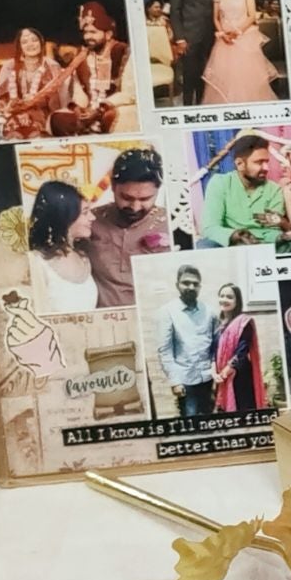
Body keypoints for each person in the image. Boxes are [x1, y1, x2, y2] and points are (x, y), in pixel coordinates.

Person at [86, 146, 169, 307]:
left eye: (145, 199)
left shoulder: (171, 225)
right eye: (126, 197)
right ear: (113, 186)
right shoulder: (90, 222)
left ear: (158, 191)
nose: (135, 207)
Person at [50, 2, 137, 136]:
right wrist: (79, 108)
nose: (88, 37)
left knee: (111, 117)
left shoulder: (123, 52)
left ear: (108, 34)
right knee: (58, 120)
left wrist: (100, 110)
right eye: (86, 32)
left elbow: (129, 93)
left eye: (93, 32)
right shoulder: (83, 56)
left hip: (114, 107)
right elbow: (79, 90)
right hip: (89, 109)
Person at [201, 0, 277, 104]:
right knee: (226, 77)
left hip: (244, 39)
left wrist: (236, 32)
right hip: (224, 41)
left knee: (245, 77)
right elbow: (216, 18)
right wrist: (223, 34)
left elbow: (251, 16)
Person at [197, 133, 288, 248]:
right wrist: (234, 236)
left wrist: (280, 237)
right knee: (204, 245)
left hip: (266, 246)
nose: (266, 168)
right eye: (259, 162)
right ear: (240, 164)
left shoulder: (274, 189)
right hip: (230, 246)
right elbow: (210, 228)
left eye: (266, 162)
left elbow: (273, 230)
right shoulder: (220, 183)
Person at [26, 180, 98, 314]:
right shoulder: (36, 262)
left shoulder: (83, 258)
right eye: (85, 212)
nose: (92, 217)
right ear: (64, 217)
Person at [156, 263, 215, 418]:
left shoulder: (209, 311)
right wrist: (175, 381)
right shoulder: (167, 312)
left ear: (200, 287)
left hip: (208, 378)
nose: (191, 287)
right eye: (186, 283)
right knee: (190, 421)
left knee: (210, 420)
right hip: (185, 381)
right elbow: (165, 351)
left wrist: (215, 373)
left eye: (195, 284)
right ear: (177, 285)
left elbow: (215, 345)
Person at [0, 27, 63, 141]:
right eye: (25, 42)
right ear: (19, 46)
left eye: (34, 40)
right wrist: (12, 104)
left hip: (43, 116)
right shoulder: (10, 66)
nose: (30, 44)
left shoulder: (52, 66)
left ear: (41, 42)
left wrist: (36, 100)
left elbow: (58, 99)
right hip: (13, 114)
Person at [168, 0, 216, 106]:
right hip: (188, 37)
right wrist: (179, 38)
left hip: (208, 37)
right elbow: (174, 11)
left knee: (204, 75)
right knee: (189, 76)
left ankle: (201, 105)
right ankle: (188, 107)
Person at [211, 284, 266, 413]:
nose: (224, 299)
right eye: (222, 296)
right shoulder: (218, 325)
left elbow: (242, 351)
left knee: (242, 413)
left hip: (240, 376)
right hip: (221, 377)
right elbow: (213, 351)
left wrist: (226, 371)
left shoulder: (244, 323)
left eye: (229, 297)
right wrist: (214, 373)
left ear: (237, 301)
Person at [144, 0, 176, 104]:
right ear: (148, 9)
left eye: (159, 7)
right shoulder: (142, 22)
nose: (158, 9)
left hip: (163, 56)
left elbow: (171, 37)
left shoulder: (165, 21)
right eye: (155, 7)